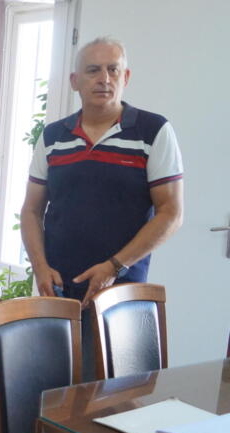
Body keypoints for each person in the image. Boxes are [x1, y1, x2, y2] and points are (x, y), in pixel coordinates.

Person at [21, 36, 183, 373]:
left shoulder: (153, 131)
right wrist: (39, 266)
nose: (104, 79)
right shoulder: (53, 136)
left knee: (116, 390)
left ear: (126, 77)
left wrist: (113, 267)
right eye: (93, 70)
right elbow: (32, 210)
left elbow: (171, 213)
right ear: (75, 81)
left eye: (113, 70)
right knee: (55, 386)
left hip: (122, 293)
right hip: (58, 289)